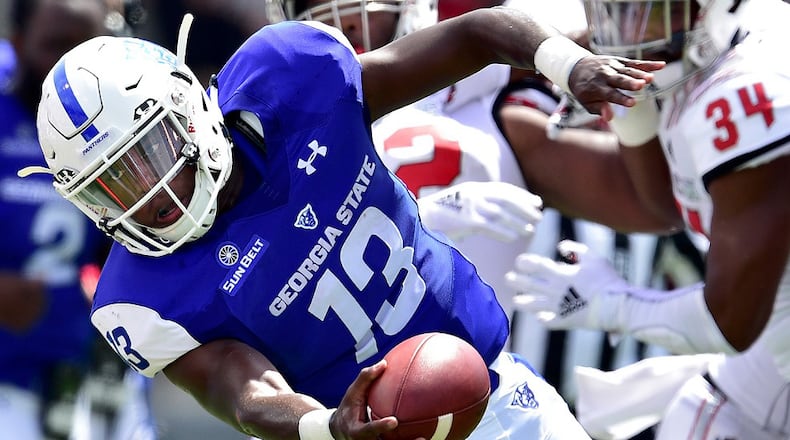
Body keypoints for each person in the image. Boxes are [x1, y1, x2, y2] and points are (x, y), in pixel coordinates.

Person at [25, 4, 663, 439]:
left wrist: (567, 64)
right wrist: (324, 425)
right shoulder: (140, 296)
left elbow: (475, 34)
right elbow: (241, 390)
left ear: (188, 110)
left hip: (498, 400)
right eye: (111, 184)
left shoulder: (290, 85)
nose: (147, 194)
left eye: (149, 155)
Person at [504, 0, 790, 438]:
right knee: (699, 410)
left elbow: (729, 322)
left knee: (705, 416)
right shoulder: (715, 55)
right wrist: (627, 103)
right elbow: (667, 204)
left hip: (763, 346)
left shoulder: (747, 87)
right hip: (771, 351)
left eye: (650, 9)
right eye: (613, 8)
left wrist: (613, 303)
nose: (625, 29)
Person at [0, 0, 156, 439]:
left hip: (105, 379)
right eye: (55, 45)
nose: (69, 70)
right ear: (18, 43)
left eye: (86, 47)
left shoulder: (136, 105)